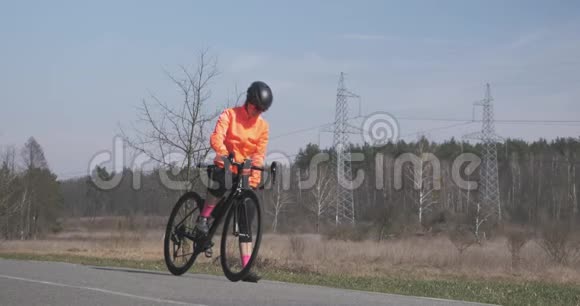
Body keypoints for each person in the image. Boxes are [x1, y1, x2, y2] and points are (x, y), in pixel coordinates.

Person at [195, 80, 272, 282]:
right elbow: (216, 137)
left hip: (245, 170)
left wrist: (255, 178)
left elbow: (259, 154)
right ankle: (203, 218)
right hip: (226, 162)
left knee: (247, 214)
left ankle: (245, 268)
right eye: (256, 107)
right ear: (248, 100)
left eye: (262, 110)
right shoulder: (230, 114)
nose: (257, 112)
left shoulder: (263, 127)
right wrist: (223, 153)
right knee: (224, 181)